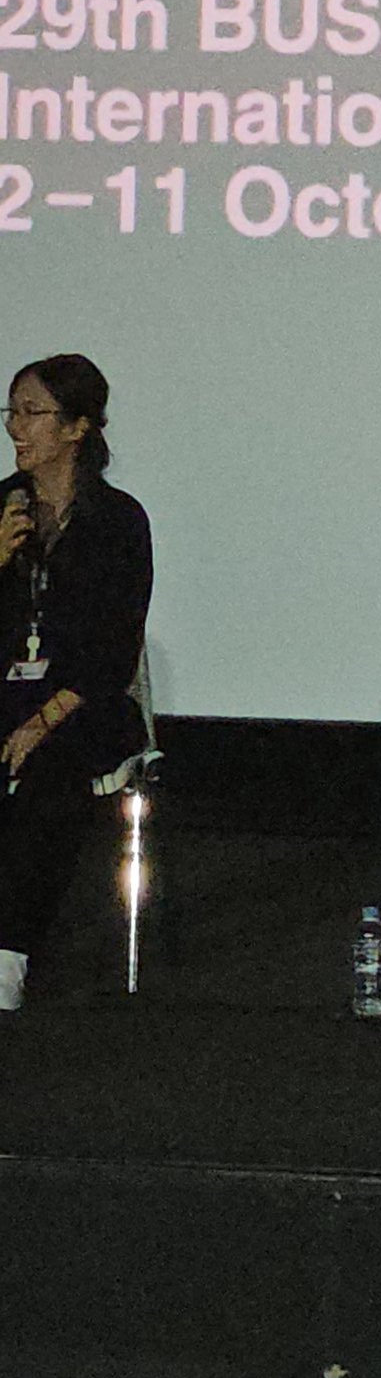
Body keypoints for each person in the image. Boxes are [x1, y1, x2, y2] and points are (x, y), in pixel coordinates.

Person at [0, 355, 153, 1010]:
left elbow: (113, 650)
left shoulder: (117, 521)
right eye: (11, 412)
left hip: (81, 701)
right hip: (7, 692)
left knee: (49, 769)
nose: (16, 428)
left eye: (32, 413)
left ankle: (8, 953)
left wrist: (42, 720)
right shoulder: (2, 508)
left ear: (77, 426)